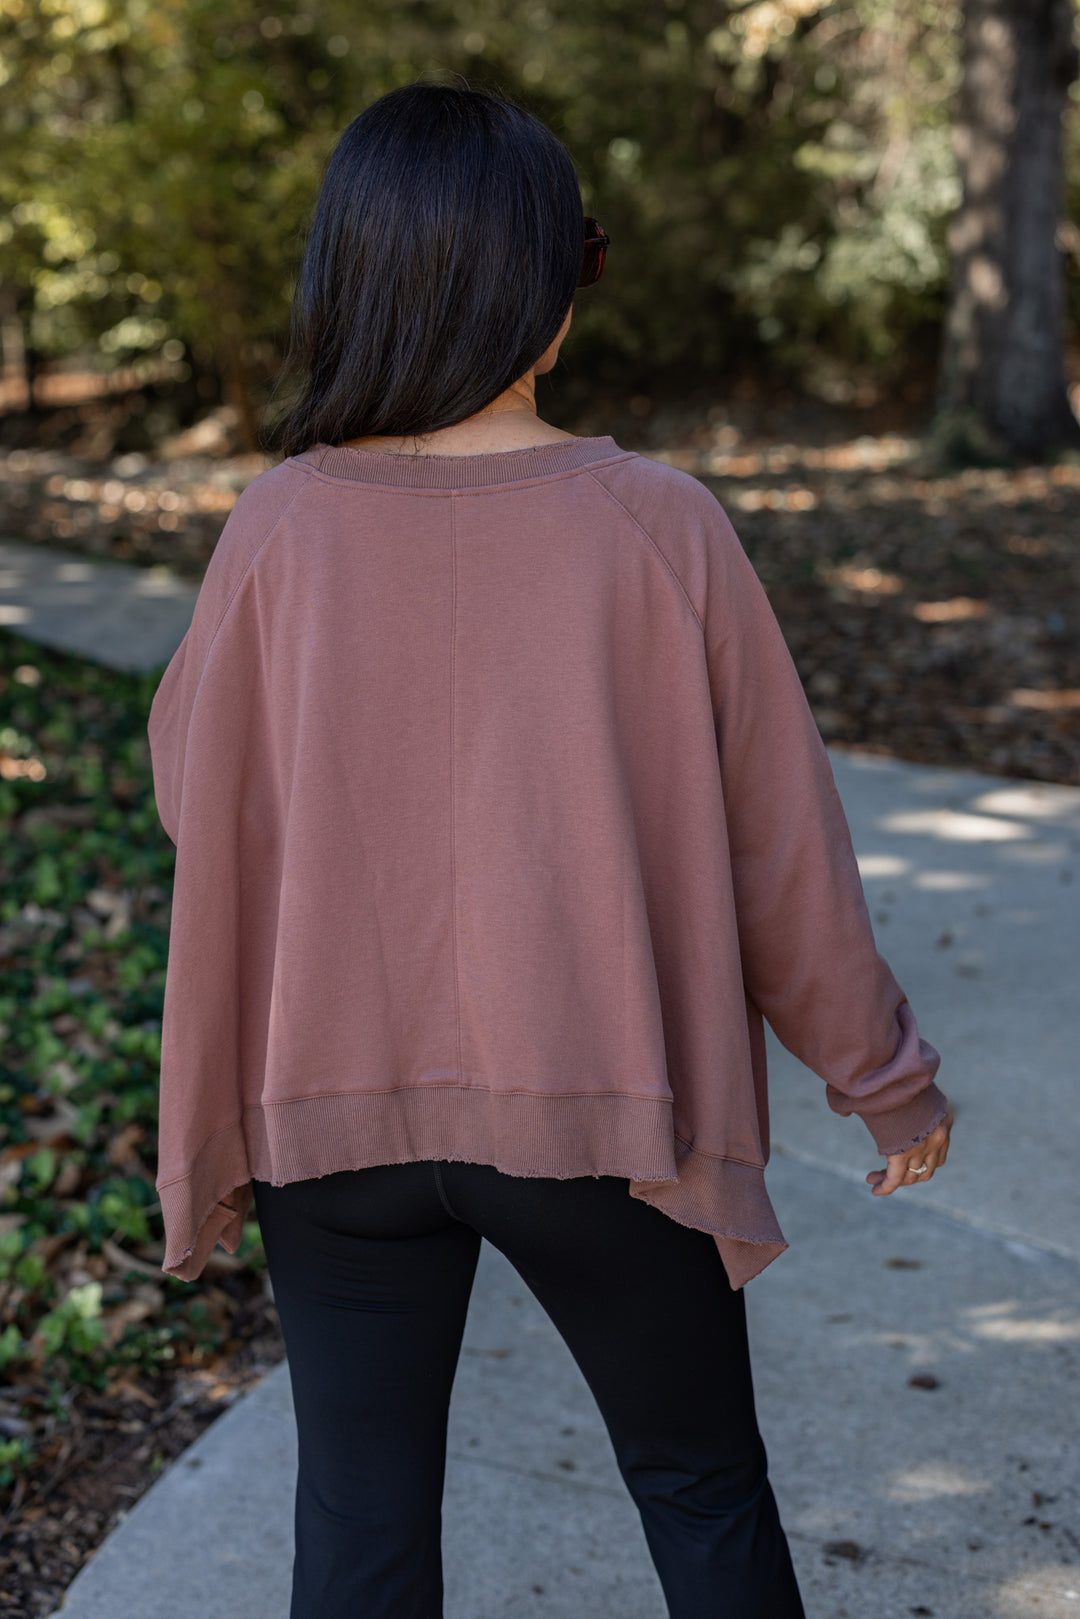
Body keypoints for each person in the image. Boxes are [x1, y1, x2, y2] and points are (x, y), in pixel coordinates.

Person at [147, 78, 954, 1619]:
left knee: (359, 1523)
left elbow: (200, 790)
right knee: (701, 1489)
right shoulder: (658, 522)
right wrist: (884, 1077)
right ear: (542, 286)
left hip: (332, 1112)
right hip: (605, 1116)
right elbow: (779, 852)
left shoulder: (278, 526)